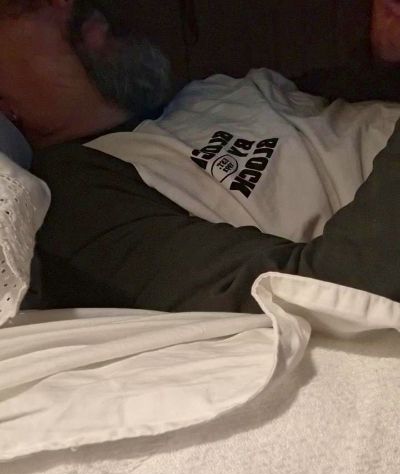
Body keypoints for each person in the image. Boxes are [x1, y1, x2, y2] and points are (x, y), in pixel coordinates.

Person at [0, 0, 399, 314]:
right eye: (24, 4)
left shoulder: (209, 90)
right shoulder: (76, 201)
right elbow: (330, 290)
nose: (66, 1)